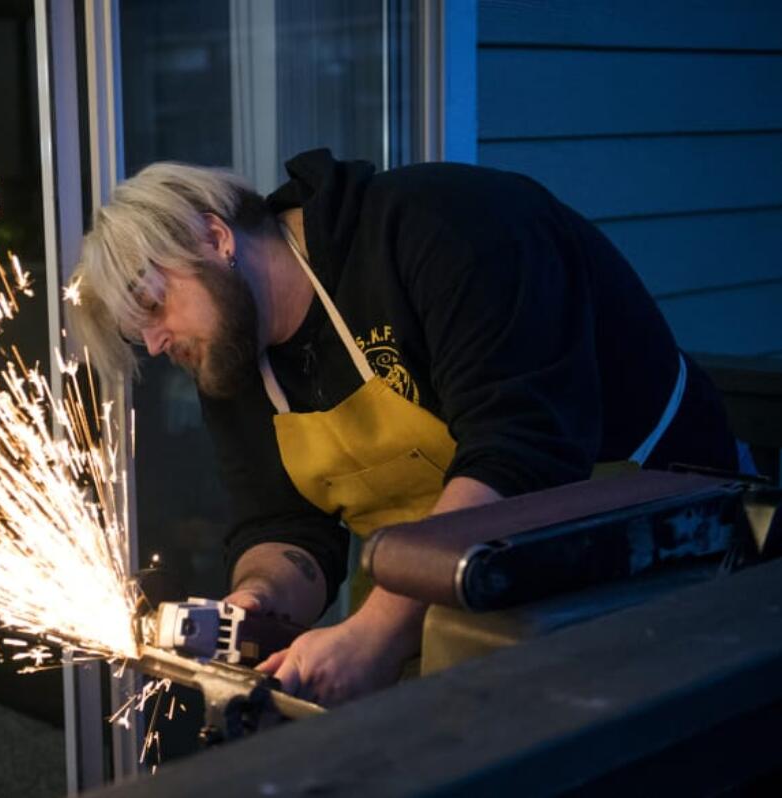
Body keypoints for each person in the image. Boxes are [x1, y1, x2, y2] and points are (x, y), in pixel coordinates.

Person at [69, 149, 739, 707]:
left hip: (649, 544)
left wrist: (375, 636)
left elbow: (520, 453)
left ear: (214, 238)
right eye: (141, 335)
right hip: (447, 590)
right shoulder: (233, 358)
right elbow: (284, 527)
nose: (156, 345)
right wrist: (256, 602)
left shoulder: (445, 226)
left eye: (155, 307)